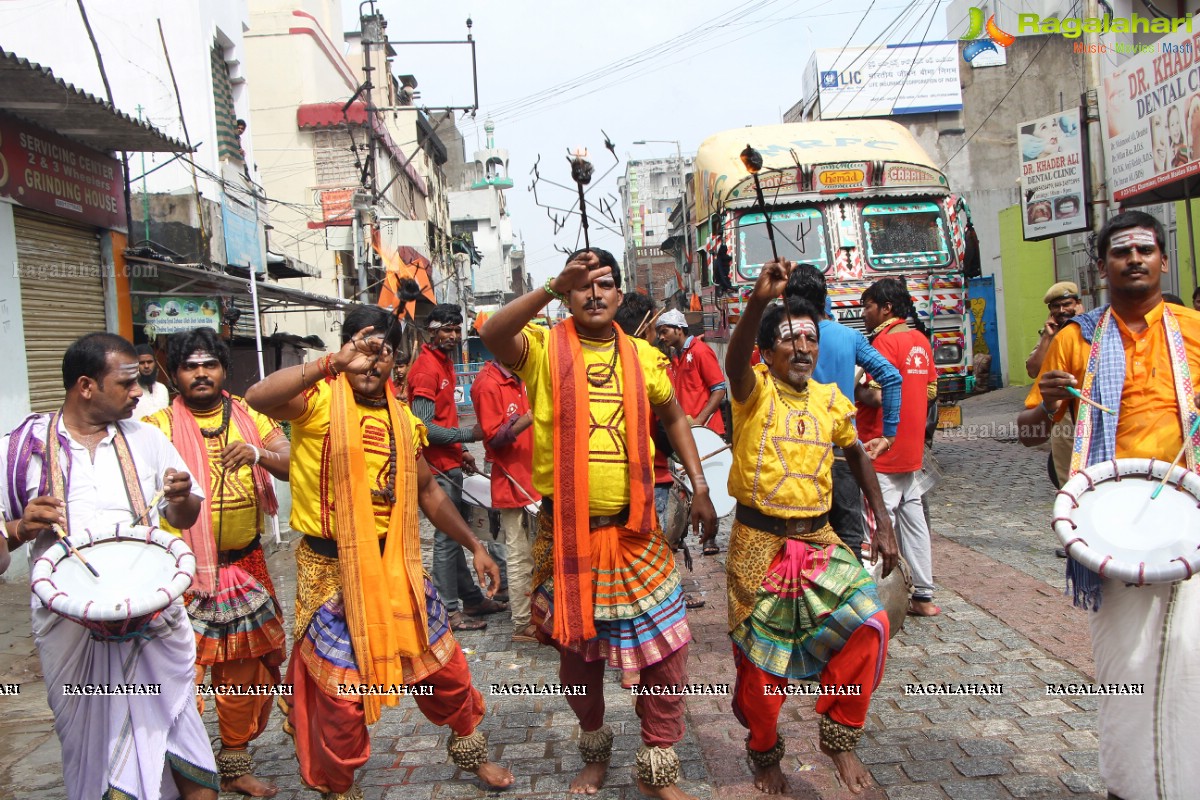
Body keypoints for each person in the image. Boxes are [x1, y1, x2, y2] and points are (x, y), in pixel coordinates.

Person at [245, 305, 511, 799]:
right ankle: (338, 788)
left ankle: (471, 748)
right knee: (341, 699)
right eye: (362, 349)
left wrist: (475, 545)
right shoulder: (317, 400)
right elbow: (257, 398)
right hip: (331, 571)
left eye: (383, 352)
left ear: (397, 362)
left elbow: (428, 492)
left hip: (397, 566)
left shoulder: (405, 421)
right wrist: (329, 365)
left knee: (446, 671)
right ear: (345, 350)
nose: (372, 363)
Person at [481, 248, 717, 800]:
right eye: (581, 285)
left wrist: (700, 485)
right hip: (567, 537)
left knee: (667, 654)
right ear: (566, 292)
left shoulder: (643, 355)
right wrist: (547, 285)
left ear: (619, 293)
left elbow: (674, 414)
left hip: (637, 533)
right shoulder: (542, 348)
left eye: (605, 284)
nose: (594, 294)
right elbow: (493, 332)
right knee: (579, 660)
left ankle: (657, 764)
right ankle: (595, 748)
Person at [1017, 210, 1200, 800]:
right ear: (1101, 268)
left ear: (1163, 260)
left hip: (1187, 519)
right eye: (1121, 253)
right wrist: (1045, 406)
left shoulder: (1194, 330)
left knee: (1189, 656)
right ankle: (1127, 787)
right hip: (1109, 529)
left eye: (1145, 249)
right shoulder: (1077, 339)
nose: (1134, 260)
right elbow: (1026, 433)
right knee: (1124, 667)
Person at [1, 332, 215, 800]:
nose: (139, 391)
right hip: (71, 630)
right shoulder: (18, 449)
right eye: (127, 382)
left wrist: (180, 500)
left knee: (185, 748)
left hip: (154, 620)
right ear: (86, 386)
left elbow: (184, 514)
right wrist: (19, 529)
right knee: (95, 753)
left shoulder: (147, 439)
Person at [723, 259, 898, 796]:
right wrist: (757, 303)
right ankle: (764, 754)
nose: (802, 348)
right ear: (769, 351)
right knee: (762, 671)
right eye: (789, 340)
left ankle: (839, 738)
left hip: (819, 540)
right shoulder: (751, 392)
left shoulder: (829, 399)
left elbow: (856, 454)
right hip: (760, 545)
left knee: (870, 625)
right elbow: (733, 360)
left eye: (810, 339)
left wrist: (883, 520)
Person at [142, 328, 290, 797]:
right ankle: (170, 766)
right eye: (190, 366)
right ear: (176, 373)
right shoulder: (156, 426)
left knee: (243, 674)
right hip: (181, 572)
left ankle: (234, 763)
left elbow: (291, 460)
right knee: (178, 674)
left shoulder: (248, 413)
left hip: (245, 565)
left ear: (224, 370)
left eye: (209, 364)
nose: (201, 373)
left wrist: (260, 454)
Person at [785, 264, 900, 560]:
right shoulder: (850, 337)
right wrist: (889, 433)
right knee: (848, 539)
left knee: (803, 542)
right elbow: (891, 377)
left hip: (799, 456)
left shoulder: (784, 342)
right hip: (844, 453)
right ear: (824, 298)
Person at [407, 305, 505, 631]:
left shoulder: (445, 362)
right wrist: (468, 434)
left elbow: (444, 416)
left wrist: (461, 449)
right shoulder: (425, 369)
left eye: (456, 329)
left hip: (448, 463)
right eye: (445, 329)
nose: (452, 335)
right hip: (434, 470)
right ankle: (446, 611)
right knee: (447, 541)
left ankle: (472, 599)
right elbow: (422, 426)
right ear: (431, 331)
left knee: (459, 534)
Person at [857, 277, 940, 616]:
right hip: (911, 447)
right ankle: (923, 595)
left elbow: (876, 395)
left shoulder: (883, 344)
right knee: (913, 519)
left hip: (881, 447)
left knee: (876, 523)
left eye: (868, 306)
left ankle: (872, 605)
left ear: (885, 308)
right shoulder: (920, 339)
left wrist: (855, 390)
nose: (863, 313)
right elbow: (932, 391)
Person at [469, 360, 540, 644]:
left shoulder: (522, 375)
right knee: (520, 555)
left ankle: (538, 613)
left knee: (538, 554)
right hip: (513, 482)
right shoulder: (487, 383)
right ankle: (523, 623)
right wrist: (530, 417)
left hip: (535, 478)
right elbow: (493, 438)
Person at [1027, 282, 1084, 550]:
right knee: (1068, 479)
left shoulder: (1091, 329)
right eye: (1056, 307)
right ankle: (1074, 534)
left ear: (1078, 304)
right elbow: (1033, 370)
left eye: (1067, 305)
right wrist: (1047, 337)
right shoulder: (1050, 335)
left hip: (1089, 413)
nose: (1062, 311)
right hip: (1061, 418)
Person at [655, 309, 726, 435]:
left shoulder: (700, 351)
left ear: (679, 329)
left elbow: (719, 389)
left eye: (664, 332)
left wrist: (699, 421)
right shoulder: (676, 357)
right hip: (689, 431)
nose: (661, 337)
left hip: (707, 430)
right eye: (659, 333)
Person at [134, 343, 170, 419]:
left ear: (155, 363)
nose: (146, 366)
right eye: (142, 363)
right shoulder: (130, 390)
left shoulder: (162, 389)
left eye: (149, 362)